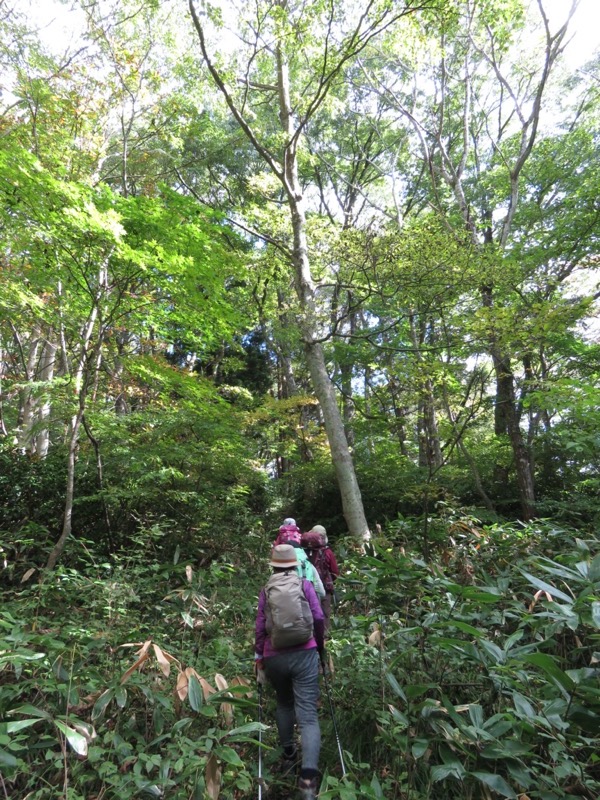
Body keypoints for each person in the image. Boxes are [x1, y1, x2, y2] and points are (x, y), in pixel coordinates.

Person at [255, 544, 325, 800]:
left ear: (273, 565)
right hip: (305, 652)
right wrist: (320, 647)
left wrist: (259, 657)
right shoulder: (304, 584)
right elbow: (317, 617)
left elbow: (261, 626)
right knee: (307, 715)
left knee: (284, 704)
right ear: (295, 564)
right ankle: (308, 780)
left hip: (275, 656)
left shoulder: (266, 590)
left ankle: (289, 756)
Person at [302, 524, 339, 632]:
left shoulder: (304, 551)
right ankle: (325, 636)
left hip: (307, 586)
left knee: (310, 611)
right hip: (325, 586)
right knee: (325, 612)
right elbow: (335, 571)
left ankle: (311, 636)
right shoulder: (328, 552)